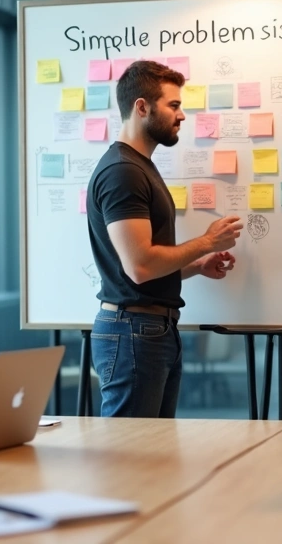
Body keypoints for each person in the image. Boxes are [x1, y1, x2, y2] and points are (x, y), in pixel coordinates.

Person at [86, 60, 244, 418]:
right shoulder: (123, 172)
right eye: (173, 105)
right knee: (132, 458)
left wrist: (197, 266)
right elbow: (140, 266)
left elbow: (144, 267)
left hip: (151, 330)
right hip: (133, 332)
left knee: (151, 454)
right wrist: (206, 242)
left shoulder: (139, 166)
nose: (182, 115)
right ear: (142, 107)